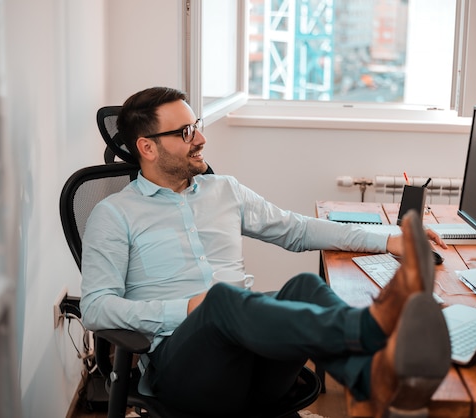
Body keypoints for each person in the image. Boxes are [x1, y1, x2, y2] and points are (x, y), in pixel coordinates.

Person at [80, 86, 451, 417]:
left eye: (197, 125)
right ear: (147, 146)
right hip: (187, 375)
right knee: (223, 299)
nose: (201, 139)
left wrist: (389, 239)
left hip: (254, 363)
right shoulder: (114, 214)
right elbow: (96, 308)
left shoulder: (224, 190)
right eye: (186, 132)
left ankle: (371, 379)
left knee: (304, 287)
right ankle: (368, 327)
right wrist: (187, 309)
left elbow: (297, 229)